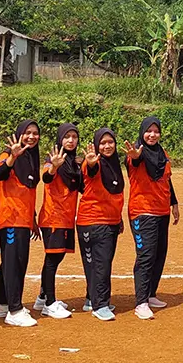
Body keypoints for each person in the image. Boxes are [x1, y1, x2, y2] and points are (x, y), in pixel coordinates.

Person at [125, 116, 179, 320]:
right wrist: (135, 156)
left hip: (162, 211)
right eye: (149, 131)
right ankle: (141, 302)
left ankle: (151, 293)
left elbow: (167, 179)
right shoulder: (136, 153)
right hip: (143, 212)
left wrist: (174, 203)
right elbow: (135, 160)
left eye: (156, 131)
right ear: (142, 132)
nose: (152, 134)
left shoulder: (162, 153)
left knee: (159, 254)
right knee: (146, 256)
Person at [0, 120, 41, 327]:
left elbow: (27, 190)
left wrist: (33, 218)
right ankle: (14, 309)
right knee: (14, 263)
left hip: (24, 218)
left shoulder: (31, 158)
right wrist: (13, 156)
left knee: (13, 263)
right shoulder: (9, 155)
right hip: (11, 218)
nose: (31, 137)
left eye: (35, 133)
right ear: (19, 134)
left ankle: (3, 304)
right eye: (27, 133)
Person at [78, 128, 124, 321]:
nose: (107, 146)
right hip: (93, 221)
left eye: (110, 142)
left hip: (110, 221)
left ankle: (92, 299)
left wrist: (119, 218)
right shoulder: (94, 163)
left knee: (101, 263)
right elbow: (91, 169)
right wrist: (90, 162)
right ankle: (100, 305)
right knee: (100, 265)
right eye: (103, 143)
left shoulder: (113, 164)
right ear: (97, 145)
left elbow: (115, 193)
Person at [35, 123, 80, 320]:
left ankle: (42, 297)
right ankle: (50, 304)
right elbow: (46, 177)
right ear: (60, 139)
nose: (71, 140)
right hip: (54, 217)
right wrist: (54, 166)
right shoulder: (52, 161)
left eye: (74, 137)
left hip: (67, 217)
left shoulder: (73, 162)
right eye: (67, 137)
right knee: (52, 259)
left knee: (57, 258)